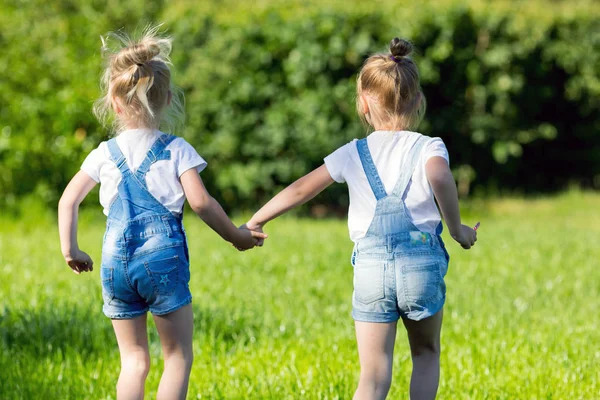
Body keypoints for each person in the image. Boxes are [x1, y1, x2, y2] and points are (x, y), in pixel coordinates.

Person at [245, 38, 477, 400]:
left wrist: (256, 220)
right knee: (426, 353)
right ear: (417, 101)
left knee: (372, 375)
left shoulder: (353, 152)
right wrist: (457, 229)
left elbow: (302, 189)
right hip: (420, 265)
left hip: (371, 270)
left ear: (364, 103)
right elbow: (441, 176)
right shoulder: (429, 146)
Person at [58, 26, 266, 400]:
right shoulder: (176, 149)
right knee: (177, 357)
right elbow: (201, 203)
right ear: (167, 99)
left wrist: (71, 250)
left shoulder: (104, 154)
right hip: (163, 260)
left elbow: (67, 201)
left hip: (113, 263)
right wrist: (237, 236)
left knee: (134, 361)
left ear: (115, 103)